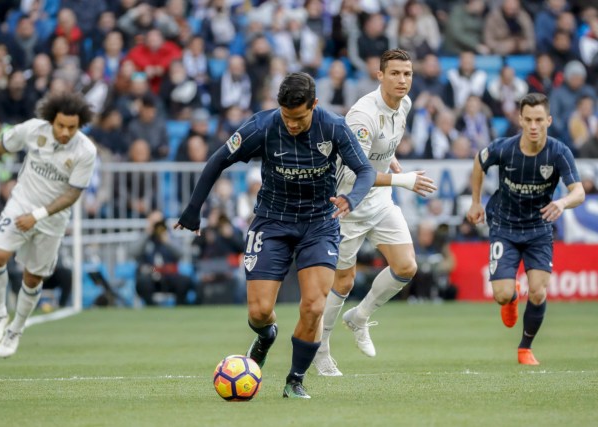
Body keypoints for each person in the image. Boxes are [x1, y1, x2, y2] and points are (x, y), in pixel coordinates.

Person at [174, 72, 437, 399]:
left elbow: (366, 170)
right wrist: (193, 209)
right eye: (287, 117)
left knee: (313, 306)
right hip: (271, 222)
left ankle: (295, 379)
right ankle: (267, 336)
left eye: (299, 118)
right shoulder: (263, 126)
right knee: (258, 312)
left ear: (314, 105)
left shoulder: (334, 127)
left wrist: (350, 199)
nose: (292, 124)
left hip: (318, 223)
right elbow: (218, 160)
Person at [312, 48, 437, 377]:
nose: (402, 80)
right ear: (379, 75)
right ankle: (321, 351)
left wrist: (392, 162)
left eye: (407, 73)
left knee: (407, 266)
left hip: (380, 201)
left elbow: (383, 150)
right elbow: (356, 174)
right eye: (394, 73)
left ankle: (360, 317)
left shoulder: (405, 104)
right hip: (348, 204)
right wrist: (403, 179)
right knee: (343, 281)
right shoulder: (362, 115)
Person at [0, 92, 96, 358]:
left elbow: (73, 193)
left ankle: (15, 330)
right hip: (21, 204)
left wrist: (38, 215)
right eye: (61, 126)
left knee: (33, 277)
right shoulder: (32, 130)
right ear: (51, 120)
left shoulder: (85, 150)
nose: (66, 132)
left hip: (52, 220)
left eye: (72, 127)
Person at [466, 93, 585, 365]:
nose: (533, 125)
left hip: (538, 229)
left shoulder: (558, 152)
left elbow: (578, 192)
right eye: (528, 119)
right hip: (504, 226)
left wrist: (563, 202)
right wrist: (475, 202)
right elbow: (479, 161)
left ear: (549, 120)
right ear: (520, 119)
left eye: (539, 120)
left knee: (539, 291)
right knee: (503, 294)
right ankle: (510, 299)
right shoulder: (504, 148)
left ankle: (525, 349)